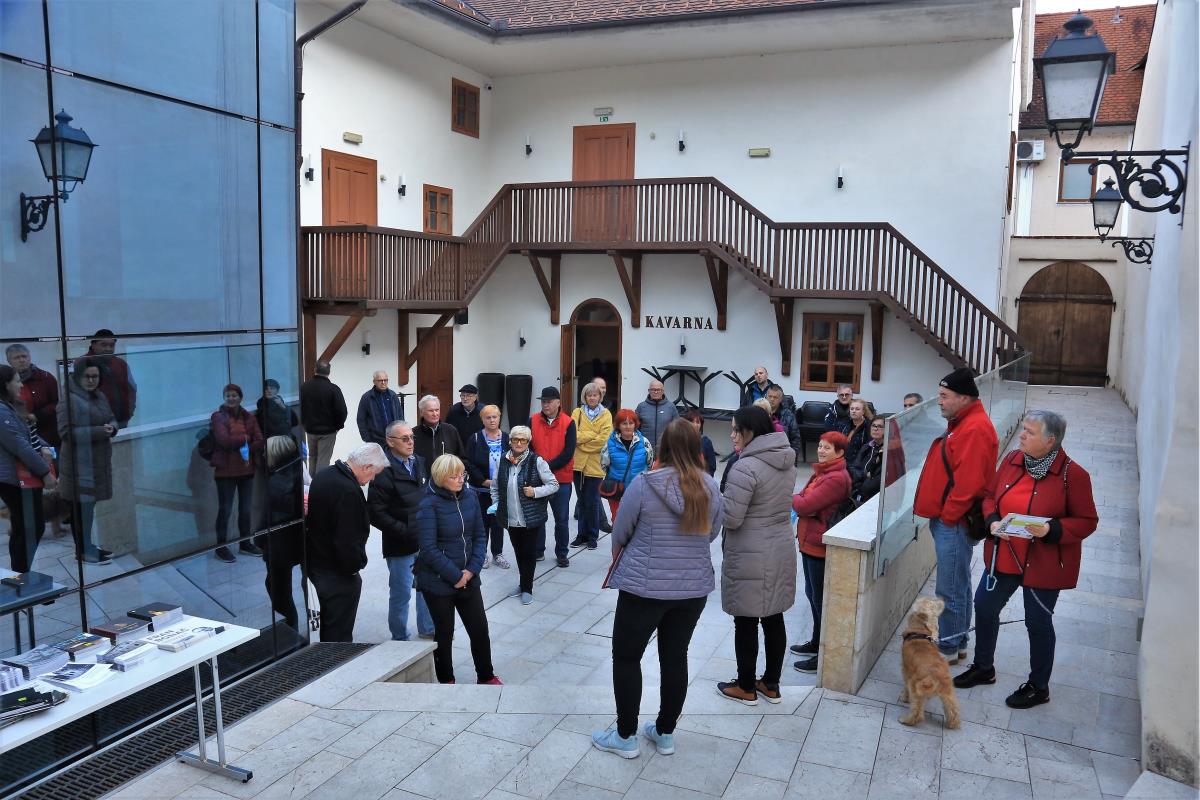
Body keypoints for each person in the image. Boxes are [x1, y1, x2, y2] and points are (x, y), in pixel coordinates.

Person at [592, 418, 723, 758]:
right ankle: (665, 732)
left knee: (626, 657)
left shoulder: (644, 484)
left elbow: (621, 531)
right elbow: (711, 533)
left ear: (663, 447)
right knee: (675, 657)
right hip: (691, 588)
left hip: (644, 588)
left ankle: (625, 736)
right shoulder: (710, 487)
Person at [954, 411, 1098, 709]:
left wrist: (1051, 529)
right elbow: (989, 497)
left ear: (1050, 440)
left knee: (1038, 621)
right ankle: (984, 667)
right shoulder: (1011, 460)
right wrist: (993, 521)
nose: (1022, 435)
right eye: (1023, 429)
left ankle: (1038, 687)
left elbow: (1087, 521)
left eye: (1030, 432)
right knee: (984, 606)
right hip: (1005, 555)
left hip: (1043, 563)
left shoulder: (1074, 475)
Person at [914, 367, 999, 663]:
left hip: (955, 522)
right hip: (952, 520)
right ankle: (960, 641)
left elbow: (969, 483)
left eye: (944, 395)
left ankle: (948, 647)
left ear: (964, 398)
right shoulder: (964, 422)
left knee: (949, 588)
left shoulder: (973, 428)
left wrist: (948, 517)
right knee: (958, 585)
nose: (939, 400)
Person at [717, 406, 797, 704]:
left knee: (746, 620)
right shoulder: (786, 460)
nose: (732, 435)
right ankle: (771, 684)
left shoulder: (745, 466)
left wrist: (717, 501)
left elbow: (732, 517)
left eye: (736, 429)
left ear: (750, 431)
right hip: (779, 546)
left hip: (750, 551)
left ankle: (746, 686)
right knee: (774, 617)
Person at [416, 454, 502, 686]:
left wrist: (470, 571)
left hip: (468, 578)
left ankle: (486, 676)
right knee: (444, 634)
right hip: (438, 581)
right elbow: (428, 548)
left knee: (479, 629)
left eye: (462, 474)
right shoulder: (428, 503)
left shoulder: (470, 496)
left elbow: (479, 536)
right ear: (440, 478)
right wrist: (456, 576)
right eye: (454, 476)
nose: (460, 480)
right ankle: (447, 680)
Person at [306, 443, 388, 642]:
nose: (372, 479)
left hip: (317, 563)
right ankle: (335, 660)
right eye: (374, 473)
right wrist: (353, 568)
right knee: (339, 631)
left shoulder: (325, 474)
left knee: (331, 623)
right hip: (336, 572)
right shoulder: (348, 490)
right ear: (367, 467)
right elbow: (347, 539)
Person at [790, 431, 852, 673]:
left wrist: (797, 499)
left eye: (827, 448)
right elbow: (804, 499)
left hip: (820, 546)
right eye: (820, 446)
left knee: (820, 600)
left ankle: (822, 655)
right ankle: (816, 642)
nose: (821, 451)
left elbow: (805, 504)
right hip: (809, 542)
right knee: (812, 594)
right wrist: (802, 499)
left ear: (840, 452)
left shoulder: (835, 478)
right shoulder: (823, 472)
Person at [368, 420, 435, 641]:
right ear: (390, 441)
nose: (410, 442)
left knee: (426, 586)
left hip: (424, 540)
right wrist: (404, 530)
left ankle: (428, 628)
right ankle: (400, 638)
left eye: (411, 437)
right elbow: (375, 513)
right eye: (404, 438)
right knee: (401, 593)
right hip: (400, 544)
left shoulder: (420, 462)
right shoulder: (382, 471)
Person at [57, 358, 117, 564]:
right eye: (87, 376)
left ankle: (87, 547)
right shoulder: (68, 400)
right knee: (80, 512)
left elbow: (111, 417)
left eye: (95, 376)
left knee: (88, 510)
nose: (91, 380)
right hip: (78, 466)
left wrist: (113, 427)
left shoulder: (99, 395)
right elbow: (66, 433)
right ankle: (83, 551)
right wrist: (100, 431)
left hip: (96, 463)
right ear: (78, 377)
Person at [491, 425, 558, 604]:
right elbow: (495, 487)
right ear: (510, 441)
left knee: (528, 553)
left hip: (531, 517)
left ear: (528, 442)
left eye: (523, 440)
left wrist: (535, 492)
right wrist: (496, 505)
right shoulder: (502, 461)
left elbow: (554, 484)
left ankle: (527, 588)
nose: (519, 443)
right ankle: (522, 584)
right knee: (518, 551)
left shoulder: (537, 461)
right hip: (510, 517)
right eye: (516, 439)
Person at [0, 364, 56, 572]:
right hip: (14, 480)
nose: (21, 385)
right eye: (17, 381)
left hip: (20, 477)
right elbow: (18, 444)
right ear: (6, 384)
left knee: (22, 528)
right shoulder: (1, 410)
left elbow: (28, 435)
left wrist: (46, 447)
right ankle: (22, 576)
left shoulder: (10, 406)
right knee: (32, 527)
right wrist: (45, 472)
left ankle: (20, 575)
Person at [209, 384, 264, 562]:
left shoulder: (249, 417)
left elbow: (260, 440)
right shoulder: (218, 417)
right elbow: (223, 440)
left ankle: (245, 543)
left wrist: (244, 445)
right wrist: (246, 439)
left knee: (245, 510)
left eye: (234, 395)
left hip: (246, 470)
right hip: (225, 472)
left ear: (240, 397)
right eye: (228, 396)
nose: (231, 398)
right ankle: (221, 547)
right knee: (225, 510)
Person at [262, 435, 307, 630]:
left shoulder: (277, 481)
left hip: (282, 543)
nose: (263, 455)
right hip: (292, 540)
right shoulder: (296, 470)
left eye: (266, 451)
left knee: (278, 589)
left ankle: (290, 628)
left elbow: (270, 515)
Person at [528, 387, 575, 568]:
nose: (545, 405)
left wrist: (545, 467)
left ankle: (562, 553)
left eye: (549, 401)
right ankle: (538, 550)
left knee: (561, 519)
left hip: (561, 479)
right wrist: (539, 468)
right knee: (538, 517)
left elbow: (568, 453)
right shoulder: (532, 420)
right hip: (537, 479)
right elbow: (528, 447)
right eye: (543, 401)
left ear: (558, 403)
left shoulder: (569, 423)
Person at [464, 405, 511, 569]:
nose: (492, 420)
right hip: (480, 490)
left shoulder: (507, 438)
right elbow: (468, 462)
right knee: (481, 523)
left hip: (500, 490)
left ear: (499, 417)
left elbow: (512, 460)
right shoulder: (475, 438)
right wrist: (483, 480)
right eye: (488, 417)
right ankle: (481, 554)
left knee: (498, 523)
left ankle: (498, 554)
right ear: (482, 420)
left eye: (494, 417)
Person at [570, 382, 613, 550]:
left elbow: (604, 439)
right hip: (578, 465)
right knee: (581, 501)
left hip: (596, 465)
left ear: (600, 396)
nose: (592, 397)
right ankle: (581, 535)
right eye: (589, 395)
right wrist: (592, 435)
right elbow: (573, 435)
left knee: (593, 501)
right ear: (585, 397)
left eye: (595, 395)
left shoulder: (606, 414)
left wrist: (583, 442)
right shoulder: (577, 412)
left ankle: (593, 536)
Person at [602, 409, 654, 521]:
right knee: (617, 520)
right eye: (624, 423)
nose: (628, 426)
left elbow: (650, 464)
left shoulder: (644, 442)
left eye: (631, 423)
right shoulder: (609, 444)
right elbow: (604, 465)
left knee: (637, 521)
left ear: (635, 424)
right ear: (618, 425)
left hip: (638, 490)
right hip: (617, 490)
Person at [5, 344, 59, 449]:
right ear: (9, 361)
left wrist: (36, 416)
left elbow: (57, 403)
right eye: (17, 357)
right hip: (19, 435)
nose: (21, 360)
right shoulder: (6, 381)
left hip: (47, 434)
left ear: (29, 358)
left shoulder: (46, 378)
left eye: (24, 356)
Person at [299, 360, 347, 474]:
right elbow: (342, 411)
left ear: (315, 370)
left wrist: (305, 424)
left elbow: (301, 407)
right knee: (323, 460)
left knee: (312, 457)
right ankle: (320, 483)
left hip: (310, 430)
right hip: (328, 432)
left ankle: (312, 482)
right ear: (329, 372)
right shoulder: (333, 389)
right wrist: (338, 426)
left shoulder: (304, 387)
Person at [85, 329, 136, 429]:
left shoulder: (121, 364)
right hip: (95, 426)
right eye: (103, 345)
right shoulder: (82, 363)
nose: (108, 349)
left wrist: (129, 412)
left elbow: (132, 389)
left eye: (112, 345)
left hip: (121, 422)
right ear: (93, 345)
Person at [357, 371, 403, 450]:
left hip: (394, 437)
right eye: (380, 380)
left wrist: (401, 432)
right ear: (374, 382)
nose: (383, 383)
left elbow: (400, 415)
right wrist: (367, 438)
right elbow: (361, 419)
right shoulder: (367, 397)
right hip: (376, 440)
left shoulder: (393, 395)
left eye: (385, 380)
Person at [413, 394, 463, 465]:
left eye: (437, 410)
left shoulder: (451, 430)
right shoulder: (413, 434)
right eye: (431, 411)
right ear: (421, 412)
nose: (435, 414)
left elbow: (461, 458)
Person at [765, 385, 803, 464]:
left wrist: (791, 457)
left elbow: (795, 438)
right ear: (766, 396)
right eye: (770, 396)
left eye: (775, 397)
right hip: (763, 455)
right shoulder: (759, 412)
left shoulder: (788, 415)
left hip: (783, 456)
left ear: (781, 399)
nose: (772, 399)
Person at [635, 379, 678, 448]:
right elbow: (635, 427)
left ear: (663, 391)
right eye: (653, 389)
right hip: (645, 447)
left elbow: (677, 427)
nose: (655, 392)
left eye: (658, 390)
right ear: (649, 391)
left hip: (665, 447)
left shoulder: (671, 407)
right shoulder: (641, 407)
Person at [682, 409, 716, 476]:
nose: (695, 424)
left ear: (701, 425)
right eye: (692, 422)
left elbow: (711, 467)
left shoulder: (706, 442)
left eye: (697, 422)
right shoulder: (679, 440)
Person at [844, 398, 874, 466]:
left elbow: (868, 449)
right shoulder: (846, 423)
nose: (854, 411)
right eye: (852, 409)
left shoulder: (869, 426)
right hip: (843, 460)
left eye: (857, 409)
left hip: (858, 463)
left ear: (863, 412)